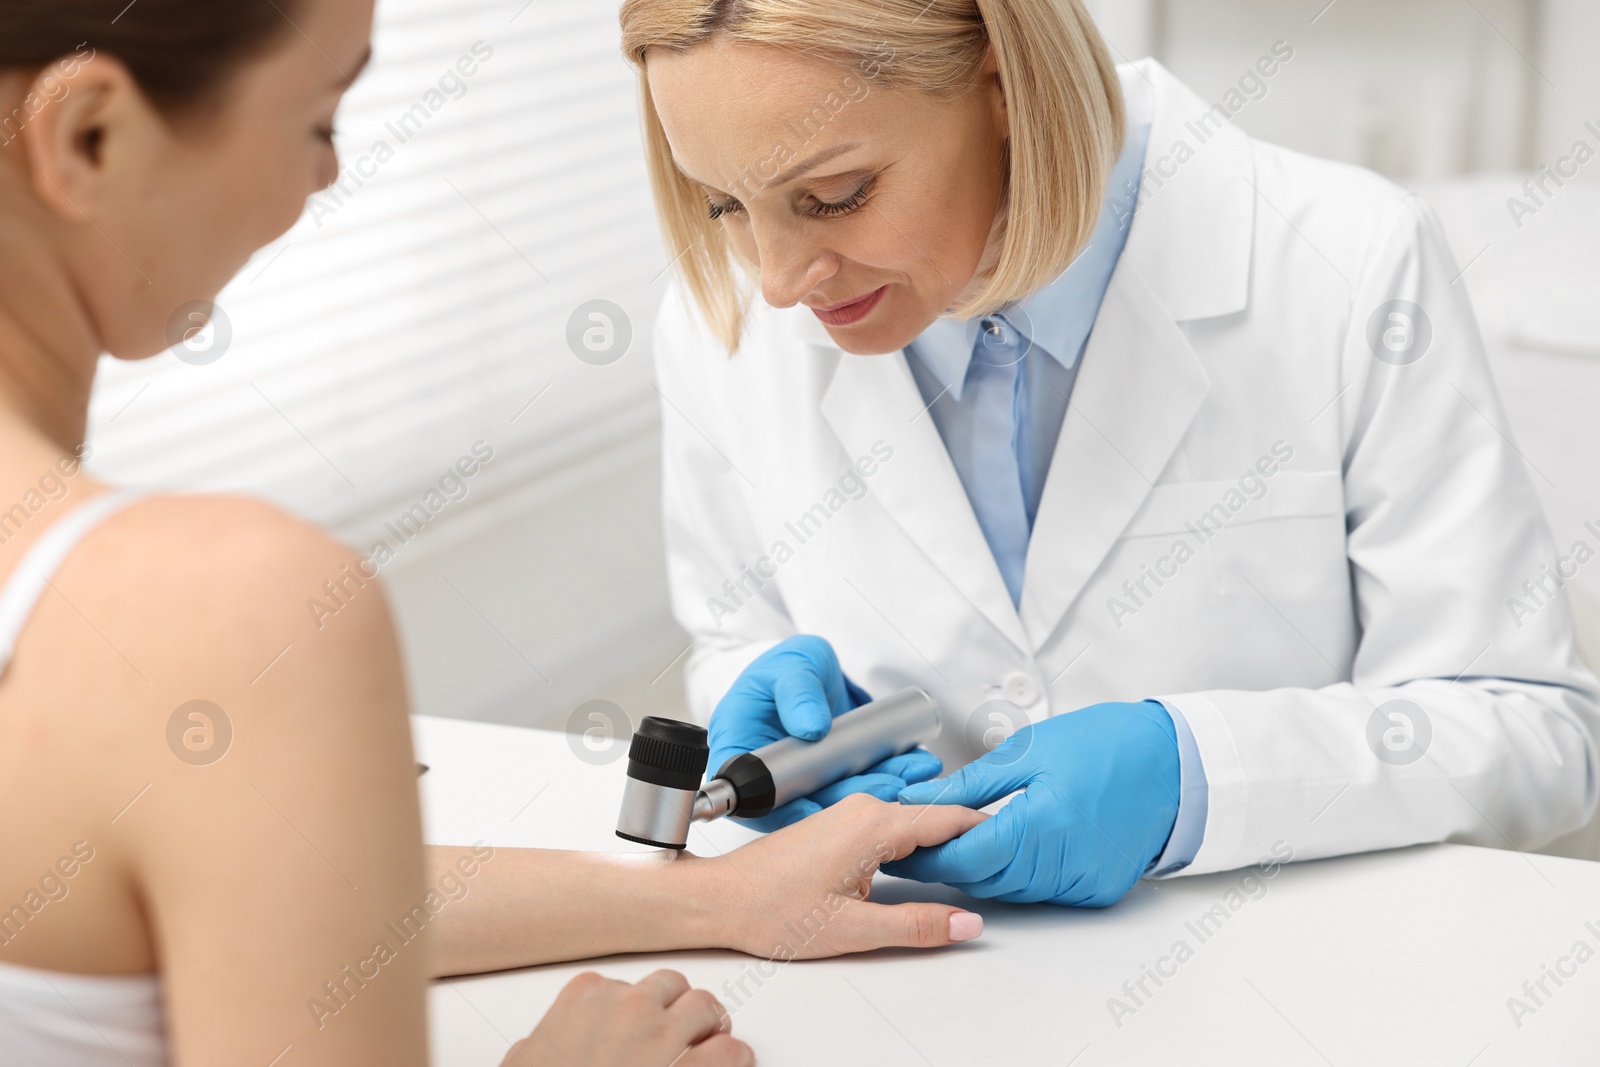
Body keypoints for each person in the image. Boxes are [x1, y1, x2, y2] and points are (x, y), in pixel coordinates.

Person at [0, 1, 988, 1064]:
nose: (325, 179)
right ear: (87, 135)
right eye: (319, 122)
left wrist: (719, 894)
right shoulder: (230, 607)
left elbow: (276, 889)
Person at [623, 0, 1600, 905]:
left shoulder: (1349, 260)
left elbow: (1534, 730)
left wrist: (1192, 777)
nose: (780, 279)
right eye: (724, 206)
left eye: (834, 195)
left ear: (1001, 83)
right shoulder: (718, 326)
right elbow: (736, 638)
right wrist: (779, 732)